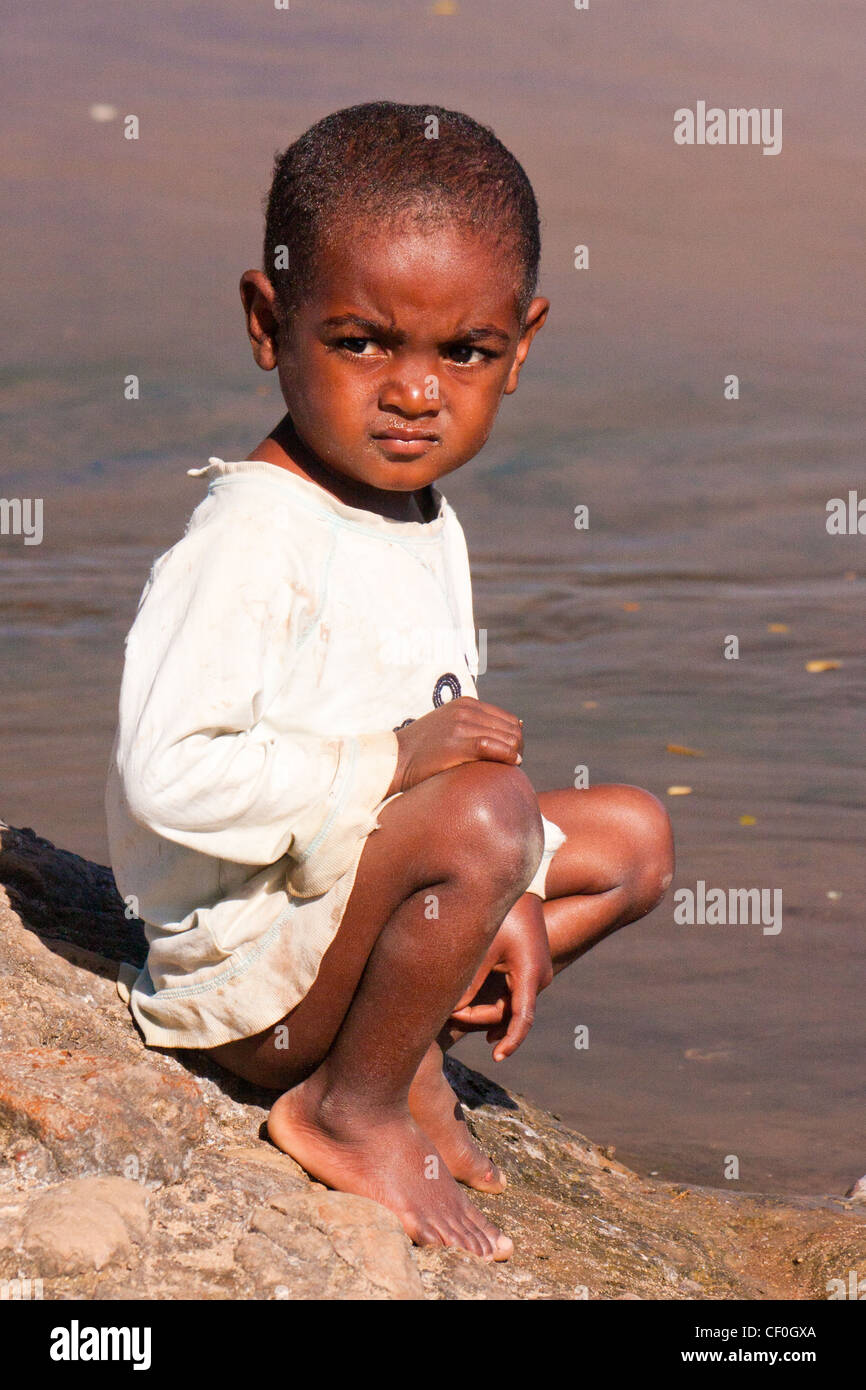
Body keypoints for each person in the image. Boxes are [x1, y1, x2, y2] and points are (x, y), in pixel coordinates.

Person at [107, 101, 674, 1262]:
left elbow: (445, 757)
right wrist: (397, 772)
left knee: (632, 839)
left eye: (461, 351)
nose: (414, 392)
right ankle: (345, 1105)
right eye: (363, 340)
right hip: (251, 982)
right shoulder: (255, 537)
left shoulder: (419, 512)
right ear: (270, 322)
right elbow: (164, 780)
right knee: (485, 808)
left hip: (349, 908)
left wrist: (498, 891)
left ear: (519, 346)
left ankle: (405, 1047)